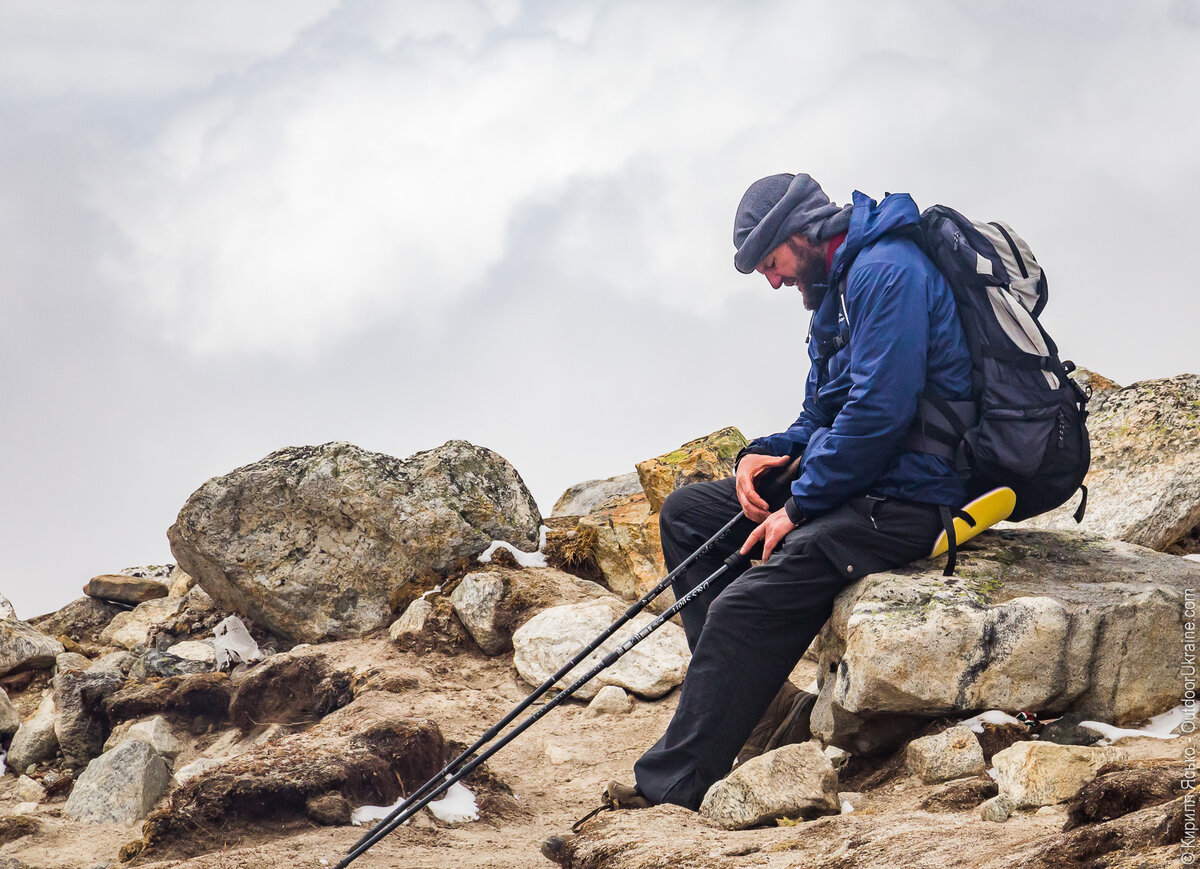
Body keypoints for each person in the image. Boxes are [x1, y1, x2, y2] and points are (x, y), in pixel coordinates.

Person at [542, 173, 972, 863]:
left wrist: (797, 507)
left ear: (799, 234)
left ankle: (670, 787)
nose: (771, 282)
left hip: (907, 499)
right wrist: (763, 458)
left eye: (770, 263)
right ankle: (762, 713)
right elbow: (823, 416)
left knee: (744, 605)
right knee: (688, 515)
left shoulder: (887, 274)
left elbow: (881, 417)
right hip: (857, 480)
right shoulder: (836, 290)